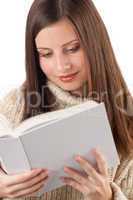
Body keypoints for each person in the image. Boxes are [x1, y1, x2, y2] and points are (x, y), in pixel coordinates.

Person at [0, 0, 133, 199]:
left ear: (94, 43)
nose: (62, 66)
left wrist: (107, 197)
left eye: (72, 49)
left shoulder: (127, 119)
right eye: (46, 54)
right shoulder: (14, 105)